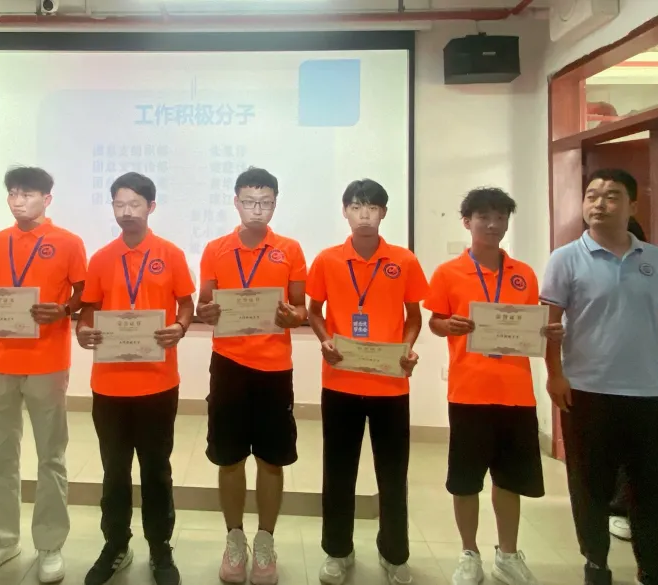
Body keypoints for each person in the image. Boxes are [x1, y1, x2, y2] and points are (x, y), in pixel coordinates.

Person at [541, 169, 658, 585]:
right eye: (592, 195)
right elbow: (549, 325)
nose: (599, 204)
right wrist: (555, 375)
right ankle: (595, 562)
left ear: (632, 205)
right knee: (589, 485)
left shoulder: (656, 260)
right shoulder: (565, 258)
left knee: (654, 486)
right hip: (586, 391)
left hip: (648, 393)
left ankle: (655, 568)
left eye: (611, 196)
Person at [424, 188, 564, 585]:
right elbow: (435, 322)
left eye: (500, 217)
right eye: (483, 216)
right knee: (465, 480)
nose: (492, 224)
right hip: (468, 393)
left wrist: (548, 333)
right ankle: (469, 553)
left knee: (509, 480)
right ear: (466, 222)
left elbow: (531, 327)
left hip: (516, 394)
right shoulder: (448, 273)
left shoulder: (524, 274)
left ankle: (508, 554)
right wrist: (446, 325)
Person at [0, 167, 86, 583]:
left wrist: (64, 309)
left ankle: (50, 545)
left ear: (47, 199)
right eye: (13, 193)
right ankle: (1, 540)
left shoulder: (68, 242)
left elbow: (84, 294)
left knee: (51, 457)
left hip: (47, 362)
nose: (18, 201)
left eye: (28, 194)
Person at [306, 179, 427, 585]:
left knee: (392, 474)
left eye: (372, 207)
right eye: (356, 207)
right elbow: (314, 311)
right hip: (340, 382)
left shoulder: (404, 260)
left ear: (383, 213)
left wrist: (407, 348)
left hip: (390, 385)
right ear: (345, 211)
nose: (364, 214)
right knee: (338, 471)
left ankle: (394, 553)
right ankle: (337, 551)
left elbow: (414, 317)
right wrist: (325, 340)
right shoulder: (327, 260)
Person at [76, 172, 194, 585]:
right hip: (109, 384)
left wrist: (179, 327)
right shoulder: (101, 258)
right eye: (119, 204)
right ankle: (116, 545)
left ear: (151, 207)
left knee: (156, 470)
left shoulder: (171, 254)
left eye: (135, 204)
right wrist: (83, 330)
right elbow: (88, 309)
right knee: (114, 471)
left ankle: (160, 548)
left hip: (158, 382)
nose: (126, 212)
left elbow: (186, 305)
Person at [196, 167, 308, 585]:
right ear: (236, 202)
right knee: (229, 458)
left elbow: (300, 307)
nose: (257, 209)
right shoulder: (215, 249)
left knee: (271, 459)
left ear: (275, 203)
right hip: (228, 365)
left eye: (265, 202)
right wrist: (206, 312)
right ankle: (234, 539)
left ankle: (265, 541)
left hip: (274, 369)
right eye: (249, 201)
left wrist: (292, 316)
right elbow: (203, 304)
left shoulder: (290, 249)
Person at [607, 216, 647, 544]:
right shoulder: (576, 265)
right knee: (606, 449)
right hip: (595, 376)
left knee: (639, 449)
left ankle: (630, 508)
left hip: (644, 377)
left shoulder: (653, 267)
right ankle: (615, 510)